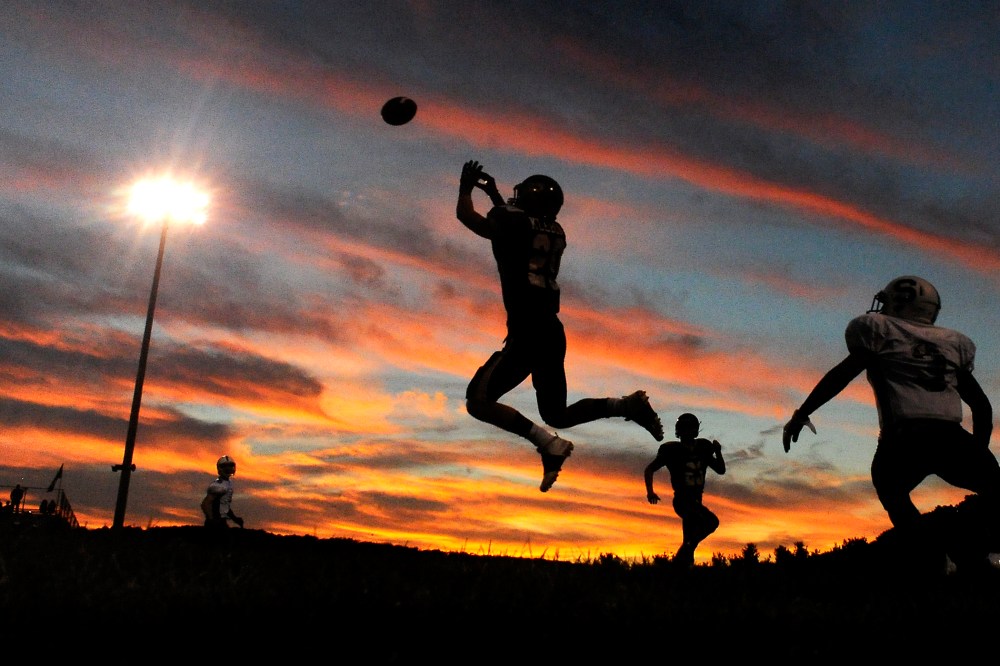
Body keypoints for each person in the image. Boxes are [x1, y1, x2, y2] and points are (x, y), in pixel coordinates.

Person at [456, 160, 664, 492]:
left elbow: (470, 219)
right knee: (557, 413)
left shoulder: (515, 222)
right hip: (552, 331)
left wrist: (467, 188)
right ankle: (626, 406)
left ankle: (545, 443)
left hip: (528, 330)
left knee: (478, 401)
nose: (515, 198)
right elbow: (516, 230)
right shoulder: (556, 230)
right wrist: (494, 193)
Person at [782, 275, 1000, 572]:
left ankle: (937, 558)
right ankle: (976, 550)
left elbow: (842, 375)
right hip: (951, 435)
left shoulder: (879, 331)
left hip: (904, 435)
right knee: (995, 490)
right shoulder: (952, 343)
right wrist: (978, 450)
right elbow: (982, 406)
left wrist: (802, 412)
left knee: (892, 492)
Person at [645, 413, 726, 566]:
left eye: (690, 428)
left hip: (696, 500)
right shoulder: (671, 450)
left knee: (690, 538)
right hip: (683, 500)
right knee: (710, 522)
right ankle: (684, 554)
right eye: (684, 428)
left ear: (695, 430)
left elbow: (721, 470)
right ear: (679, 430)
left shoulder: (703, 447)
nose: (687, 431)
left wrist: (718, 451)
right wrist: (650, 491)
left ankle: (681, 566)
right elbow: (649, 469)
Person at [201, 455, 244, 529]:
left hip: (220, 521)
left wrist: (234, 518)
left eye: (230, 466)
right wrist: (212, 520)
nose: (228, 468)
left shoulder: (227, 483)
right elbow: (205, 503)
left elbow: (224, 505)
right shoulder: (218, 485)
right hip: (216, 523)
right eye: (225, 466)